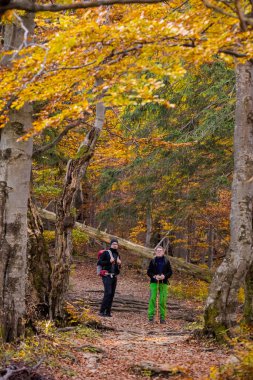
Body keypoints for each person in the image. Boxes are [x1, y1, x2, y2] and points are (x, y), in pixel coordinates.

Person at [147, 246, 172, 324]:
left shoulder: (166, 261)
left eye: (160, 251)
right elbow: (149, 272)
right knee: (152, 299)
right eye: (157, 251)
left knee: (162, 300)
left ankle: (162, 318)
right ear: (155, 252)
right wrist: (154, 276)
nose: (159, 252)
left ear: (163, 252)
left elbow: (170, 272)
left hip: (164, 283)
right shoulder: (153, 261)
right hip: (154, 282)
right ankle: (150, 317)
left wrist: (164, 276)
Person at [98, 238, 121, 317]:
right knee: (108, 293)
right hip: (106, 275)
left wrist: (119, 263)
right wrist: (109, 261)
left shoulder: (117, 255)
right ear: (111, 245)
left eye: (116, 244)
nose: (115, 245)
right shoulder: (106, 253)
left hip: (114, 276)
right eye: (114, 244)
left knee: (112, 294)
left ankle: (108, 312)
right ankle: (101, 311)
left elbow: (117, 267)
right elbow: (99, 262)